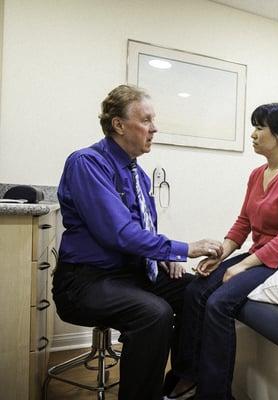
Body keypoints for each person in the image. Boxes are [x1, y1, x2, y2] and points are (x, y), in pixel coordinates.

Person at [52, 84, 223, 400]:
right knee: (153, 314)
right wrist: (183, 249)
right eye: (146, 120)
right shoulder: (87, 163)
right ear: (118, 124)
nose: (154, 128)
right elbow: (118, 233)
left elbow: (143, 230)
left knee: (197, 291)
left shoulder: (140, 177)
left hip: (130, 276)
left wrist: (164, 256)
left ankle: (183, 380)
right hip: (85, 281)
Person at [166, 103, 278, 400]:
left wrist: (243, 266)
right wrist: (221, 255)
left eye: (258, 128)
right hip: (260, 254)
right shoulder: (257, 174)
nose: (252, 134)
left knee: (219, 303)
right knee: (194, 291)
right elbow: (243, 222)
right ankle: (187, 376)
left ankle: (215, 394)